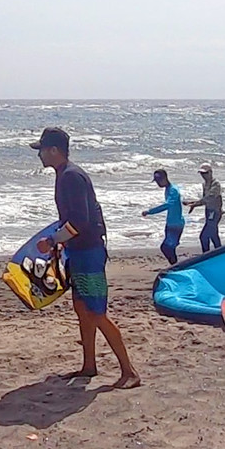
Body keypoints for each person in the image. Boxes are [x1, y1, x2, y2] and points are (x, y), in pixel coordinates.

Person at [31, 127, 140, 389]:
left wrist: (53, 241)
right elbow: (72, 219)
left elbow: (81, 220)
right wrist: (62, 243)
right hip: (78, 250)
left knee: (96, 311)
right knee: (81, 308)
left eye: (42, 150)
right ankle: (89, 365)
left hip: (89, 252)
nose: (39, 155)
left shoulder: (71, 176)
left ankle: (130, 372)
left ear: (54, 150)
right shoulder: (64, 174)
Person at [142, 169, 184, 264]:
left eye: (158, 180)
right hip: (170, 223)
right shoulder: (168, 189)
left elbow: (167, 205)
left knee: (166, 247)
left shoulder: (173, 190)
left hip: (176, 224)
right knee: (170, 248)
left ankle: (175, 266)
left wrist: (150, 211)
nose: (157, 183)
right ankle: (175, 266)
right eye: (156, 181)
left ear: (165, 178)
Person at [186, 162, 223, 252]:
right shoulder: (204, 184)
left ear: (210, 172)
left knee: (204, 236)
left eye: (205, 173)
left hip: (215, 212)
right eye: (202, 173)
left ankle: (206, 254)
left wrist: (196, 204)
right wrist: (194, 203)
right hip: (208, 211)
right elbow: (204, 200)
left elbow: (210, 197)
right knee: (213, 235)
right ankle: (220, 252)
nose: (203, 175)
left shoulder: (216, 184)